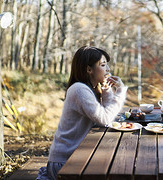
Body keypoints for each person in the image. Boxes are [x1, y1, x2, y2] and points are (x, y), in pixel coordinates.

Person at [36, 46, 127, 180]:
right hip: (65, 163)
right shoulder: (80, 90)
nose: (108, 69)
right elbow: (105, 119)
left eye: (107, 65)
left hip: (78, 156)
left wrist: (107, 91)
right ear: (89, 69)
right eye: (102, 65)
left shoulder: (89, 89)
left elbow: (103, 115)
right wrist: (120, 92)